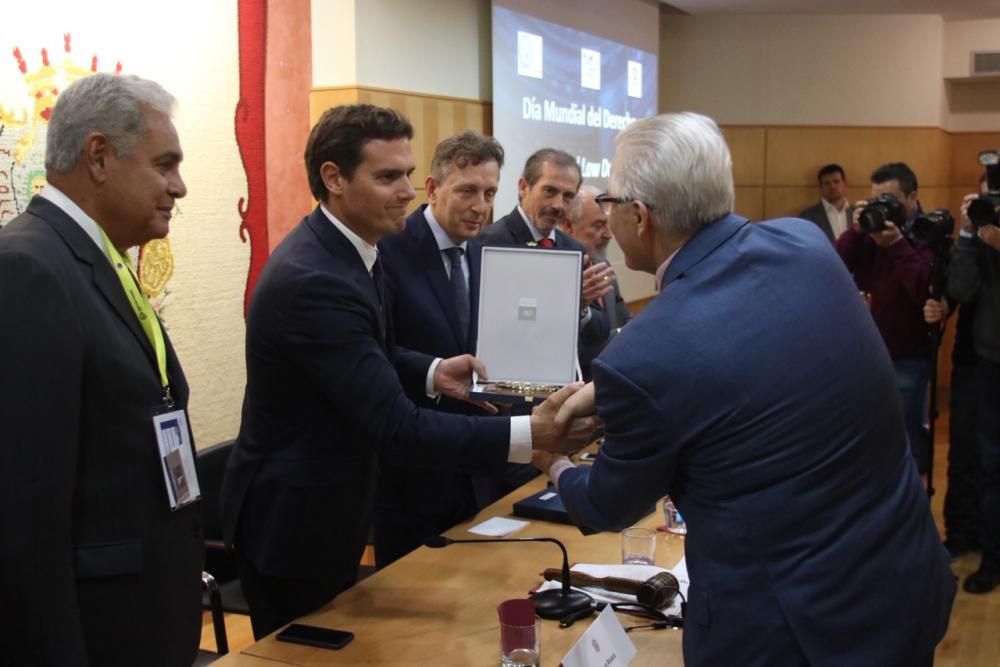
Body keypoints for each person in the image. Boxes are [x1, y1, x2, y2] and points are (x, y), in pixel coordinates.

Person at [534, 112, 955, 666]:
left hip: (791, 636)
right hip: (900, 589)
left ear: (640, 217)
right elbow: (749, 378)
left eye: (609, 202)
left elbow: (610, 504)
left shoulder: (644, 353)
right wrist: (616, 394)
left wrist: (552, 460)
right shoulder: (805, 244)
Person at [220, 104, 594, 639]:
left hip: (330, 507)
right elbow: (394, 425)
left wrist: (431, 371)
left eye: (405, 175)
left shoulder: (350, 253)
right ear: (334, 179)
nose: (406, 191)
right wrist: (531, 433)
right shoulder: (317, 278)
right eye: (387, 177)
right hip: (296, 522)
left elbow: (370, 354)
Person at [0, 73, 202, 665]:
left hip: (145, 610)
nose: (180, 187)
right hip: (101, 629)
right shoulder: (29, 270)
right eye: (165, 164)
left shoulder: (93, 256)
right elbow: (26, 518)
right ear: (98, 157)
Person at [373, 130, 510, 567]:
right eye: (468, 190)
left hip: (477, 465)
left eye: (490, 193)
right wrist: (432, 369)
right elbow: (377, 349)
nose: (481, 206)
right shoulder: (388, 248)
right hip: (414, 473)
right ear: (432, 188)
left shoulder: (483, 249)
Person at [837, 162, 933, 471]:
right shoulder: (868, 233)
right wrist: (854, 231)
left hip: (906, 354)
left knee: (904, 444)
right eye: (877, 200)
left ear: (912, 197)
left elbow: (923, 289)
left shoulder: (927, 232)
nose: (884, 208)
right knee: (865, 443)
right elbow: (834, 267)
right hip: (865, 354)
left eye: (890, 199)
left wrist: (896, 245)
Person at [478, 148, 615, 361]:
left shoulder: (574, 249)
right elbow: (495, 326)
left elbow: (600, 330)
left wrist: (582, 309)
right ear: (524, 187)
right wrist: (568, 303)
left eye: (568, 196)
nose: (558, 205)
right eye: (549, 191)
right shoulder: (490, 243)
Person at [924, 171, 989, 562]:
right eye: (982, 200)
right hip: (969, 359)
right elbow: (959, 290)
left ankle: (991, 540)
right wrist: (967, 235)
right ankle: (961, 532)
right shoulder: (970, 242)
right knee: (962, 452)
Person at [948, 170, 1000, 593]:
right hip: (988, 362)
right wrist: (968, 235)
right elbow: (961, 290)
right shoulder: (980, 240)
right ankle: (992, 555)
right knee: (988, 463)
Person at [560, 184, 633, 379]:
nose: (609, 234)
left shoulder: (602, 264)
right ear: (568, 226)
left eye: (608, 224)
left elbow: (623, 317)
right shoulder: (558, 275)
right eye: (598, 225)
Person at [798, 163, 852, 242]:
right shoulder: (808, 217)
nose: (832, 186)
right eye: (827, 183)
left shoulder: (858, 214)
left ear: (845, 184)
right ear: (821, 187)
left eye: (836, 181)